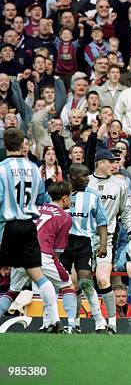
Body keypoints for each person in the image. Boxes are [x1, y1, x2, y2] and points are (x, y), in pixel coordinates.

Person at [0, 128, 61, 332]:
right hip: (28, 225)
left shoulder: (1, 169)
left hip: (7, 226)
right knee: (37, 274)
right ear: (22, 145)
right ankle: (53, 320)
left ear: (5, 145)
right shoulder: (35, 169)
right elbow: (41, 197)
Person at [0, 181, 75, 332]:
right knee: (68, 285)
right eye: (71, 196)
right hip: (42, 255)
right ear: (65, 198)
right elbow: (58, 250)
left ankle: (49, 323)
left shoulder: (35, 209)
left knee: (13, 291)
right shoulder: (65, 217)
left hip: (20, 254)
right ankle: (71, 325)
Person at [88, 150, 131, 334]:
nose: (114, 164)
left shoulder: (120, 183)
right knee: (81, 283)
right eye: (110, 161)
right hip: (84, 238)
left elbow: (126, 211)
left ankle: (112, 323)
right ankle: (85, 323)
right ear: (100, 163)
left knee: (102, 279)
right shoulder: (87, 182)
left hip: (106, 238)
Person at [61, 164, 109, 333]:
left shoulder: (93, 195)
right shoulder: (60, 194)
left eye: (88, 175)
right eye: (84, 175)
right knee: (64, 283)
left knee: (85, 281)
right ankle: (71, 323)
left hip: (83, 242)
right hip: (63, 243)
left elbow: (102, 222)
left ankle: (99, 320)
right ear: (73, 177)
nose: (88, 179)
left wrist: (103, 245)